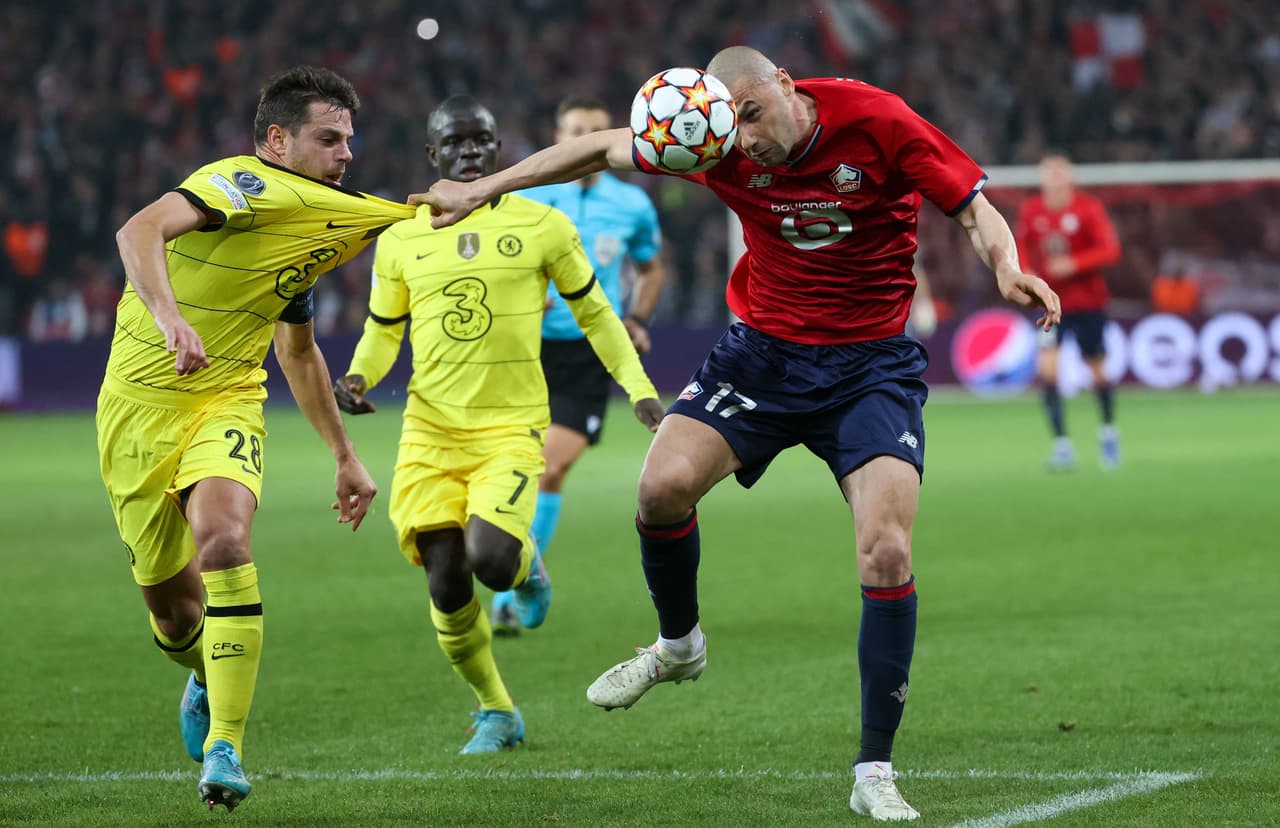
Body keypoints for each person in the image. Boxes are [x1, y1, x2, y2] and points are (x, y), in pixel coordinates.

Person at [415, 47, 1061, 821]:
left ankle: (873, 769)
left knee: (886, 549)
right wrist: (480, 188)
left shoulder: (877, 120)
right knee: (659, 487)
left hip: (868, 367)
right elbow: (594, 147)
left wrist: (1006, 263)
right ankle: (678, 645)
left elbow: (973, 206)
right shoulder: (708, 137)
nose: (748, 138)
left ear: (787, 86)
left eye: (755, 114)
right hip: (762, 356)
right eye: (736, 124)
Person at [97, 66, 416, 812]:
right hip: (136, 413)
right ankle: (205, 672)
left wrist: (343, 454)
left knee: (224, 541)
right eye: (327, 139)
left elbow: (298, 353)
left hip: (227, 399)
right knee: (175, 616)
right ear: (277, 140)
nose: (345, 154)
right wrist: (172, 317)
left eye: (349, 140)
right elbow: (137, 229)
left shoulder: (309, 231)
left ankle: (227, 748)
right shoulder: (237, 184)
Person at [331, 96, 663, 754]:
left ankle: (528, 567)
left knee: (491, 560)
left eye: (482, 139)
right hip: (430, 431)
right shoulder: (400, 238)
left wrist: (641, 392)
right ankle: (497, 709)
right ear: (434, 156)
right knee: (445, 577)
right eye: (454, 142)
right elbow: (382, 331)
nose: (470, 151)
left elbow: (599, 315)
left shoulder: (542, 225)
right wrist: (358, 377)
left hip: (510, 426)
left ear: (499, 144)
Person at [489, 96, 668, 636]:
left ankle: (514, 577)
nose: (585, 142)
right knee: (515, 468)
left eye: (595, 132)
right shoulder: (528, 196)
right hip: (524, 347)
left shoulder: (632, 204)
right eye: (575, 132)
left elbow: (652, 267)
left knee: (549, 466)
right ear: (558, 136)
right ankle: (518, 566)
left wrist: (636, 317)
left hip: (589, 351)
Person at [1014, 153, 1122, 471]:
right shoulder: (1032, 210)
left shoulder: (1088, 208)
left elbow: (1111, 250)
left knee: (1097, 369)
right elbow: (1020, 243)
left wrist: (1075, 263)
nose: (1054, 180)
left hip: (1088, 303)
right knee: (1048, 371)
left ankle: (1108, 432)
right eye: (1049, 174)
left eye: (1059, 174)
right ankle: (1062, 446)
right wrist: (1026, 270)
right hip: (1051, 305)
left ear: (1070, 178)